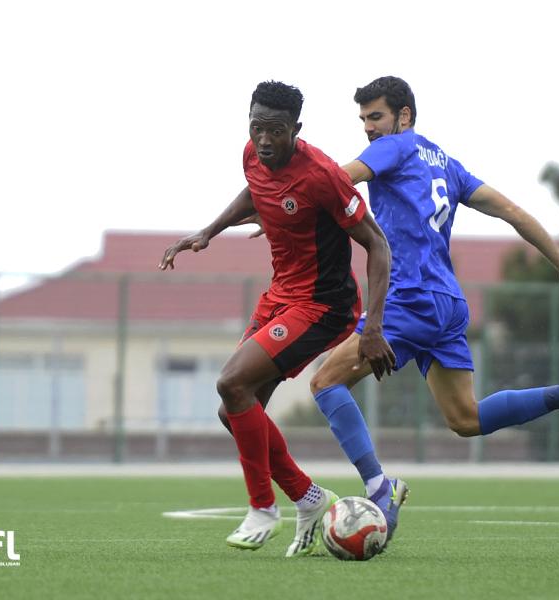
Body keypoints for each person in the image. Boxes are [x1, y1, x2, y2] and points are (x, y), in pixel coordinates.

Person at [305, 76, 559, 542]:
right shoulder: (448, 165)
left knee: (323, 383)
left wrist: (284, 203)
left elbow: (339, 180)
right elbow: (513, 212)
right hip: (447, 303)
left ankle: (380, 489)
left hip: (411, 298)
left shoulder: (396, 147)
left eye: (375, 117)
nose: (368, 129)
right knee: (466, 419)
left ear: (405, 116)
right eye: (362, 120)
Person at [159, 81, 395, 556]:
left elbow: (377, 244)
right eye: (257, 127)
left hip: (322, 306)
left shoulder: (324, 176)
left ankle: (263, 507)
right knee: (235, 410)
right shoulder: (253, 153)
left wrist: (372, 328)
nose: (264, 140)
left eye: (276, 131)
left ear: (296, 129)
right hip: (280, 296)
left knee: (230, 384)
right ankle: (308, 498)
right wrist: (208, 231)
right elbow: (255, 190)